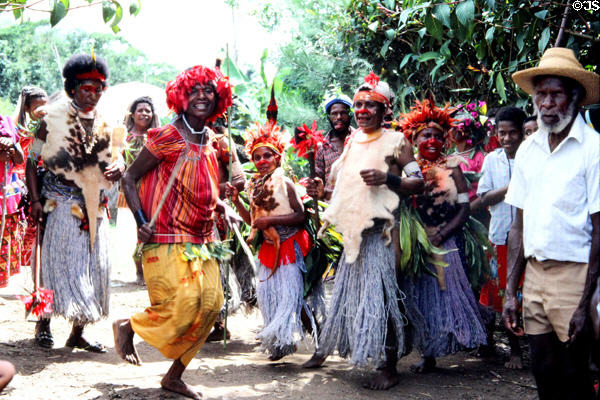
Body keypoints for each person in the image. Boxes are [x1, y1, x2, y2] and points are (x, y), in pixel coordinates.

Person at [113, 65, 240, 400]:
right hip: (166, 235)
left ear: (218, 99)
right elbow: (128, 178)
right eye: (194, 90)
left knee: (212, 305)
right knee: (184, 304)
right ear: (182, 97)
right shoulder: (168, 136)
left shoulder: (211, 140)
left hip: (202, 237)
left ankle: (173, 377)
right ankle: (129, 327)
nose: (202, 96)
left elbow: (209, 186)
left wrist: (223, 207)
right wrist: (141, 219)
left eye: (208, 91)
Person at [303, 72, 424, 390]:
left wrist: (389, 180)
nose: (362, 110)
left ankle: (389, 366)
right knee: (354, 298)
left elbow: (419, 183)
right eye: (358, 104)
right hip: (357, 238)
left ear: (385, 111)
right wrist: (320, 193)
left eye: (370, 105)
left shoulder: (399, 143)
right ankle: (333, 348)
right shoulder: (353, 143)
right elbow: (338, 191)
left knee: (384, 299)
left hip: (386, 235)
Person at [503, 47, 599, 400]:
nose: (545, 103)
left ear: (574, 97)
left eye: (554, 94)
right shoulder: (529, 149)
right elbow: (518, 225)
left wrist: (585, 300)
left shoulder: (593, 149)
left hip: (576, 274)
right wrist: (511, 291)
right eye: (540, 94)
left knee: (575, 372)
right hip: (536, 274)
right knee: (542, 369)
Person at [25, 53, 125, 350]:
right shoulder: (50, 119)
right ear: (72, 89)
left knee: (93, 267)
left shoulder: (108, 124)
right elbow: (32, 161)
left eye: (97, 89)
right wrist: (33, 200)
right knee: (54, 265)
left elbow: (117, 161)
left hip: (94, 207)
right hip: (58, 202)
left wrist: (119, 168)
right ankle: (43, 324)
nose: (92, 94)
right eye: (86, 89)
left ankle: (78, 332)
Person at [399, 98, 487, 374]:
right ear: (414, 138)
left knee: (447, 294)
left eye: (439, 135)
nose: (433, 140)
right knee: (422, 297)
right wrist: (419, 236)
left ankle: (468, 341)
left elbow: (463, 208)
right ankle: (428, 352)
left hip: (448, 242)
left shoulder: (453, 167)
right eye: (427, 135)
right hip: (417, 244)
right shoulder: (407, 170)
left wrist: (444, 233)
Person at [226, 101, 320, 361]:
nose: (261, 161)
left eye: (267, 156)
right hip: (268, 248)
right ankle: (280, 342)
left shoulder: (285, 181)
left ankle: (319, 341)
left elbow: (301, 216)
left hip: (290, 245)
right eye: (256, 157)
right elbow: (253, 221)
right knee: (269, 297)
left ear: (277, 157)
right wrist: (236, 201)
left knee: (293, 300)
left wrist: (273, 222)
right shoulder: (254, 185)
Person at [476, 106, 527, 369]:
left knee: (526, 293)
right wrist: (511, 188)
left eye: (512, 133)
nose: (507, 139)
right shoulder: (491, 160)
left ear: (523, 133)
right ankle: (515, 351)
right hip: (499, 235)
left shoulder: (534, 158)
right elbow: (483, 197)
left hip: (532, 237)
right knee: (506, 294)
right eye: (502, 133)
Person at [108, 96, 159, 284]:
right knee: (136, 229)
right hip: (129, 191)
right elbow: (116, 157)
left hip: (153, 190)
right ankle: (139, 269)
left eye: (148, 110)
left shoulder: (157, 135)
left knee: (151, 228)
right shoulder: (123, 136)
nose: (144, 114)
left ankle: (151, 269)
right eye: (140, 110)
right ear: (133, 114)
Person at [12, 86, 48, 268]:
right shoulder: (18, 131)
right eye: (37, 107)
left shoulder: (49, 127)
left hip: (43, 180)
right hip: (23, 183)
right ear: (26, 108)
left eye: (45, 106)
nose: (42, 111)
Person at [309, 93, 353, 201]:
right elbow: (318, 178)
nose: (339, 117)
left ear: (350, 115)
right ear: (329, 117)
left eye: (343, 113)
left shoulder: (360, 139)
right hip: (332, 207)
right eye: (334, 114)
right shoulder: (322, 147)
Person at [0, 114, 25, 288]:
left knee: (3, 242)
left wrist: (12, 146)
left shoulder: (6, 122)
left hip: (5, 196)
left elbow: (20, 159)